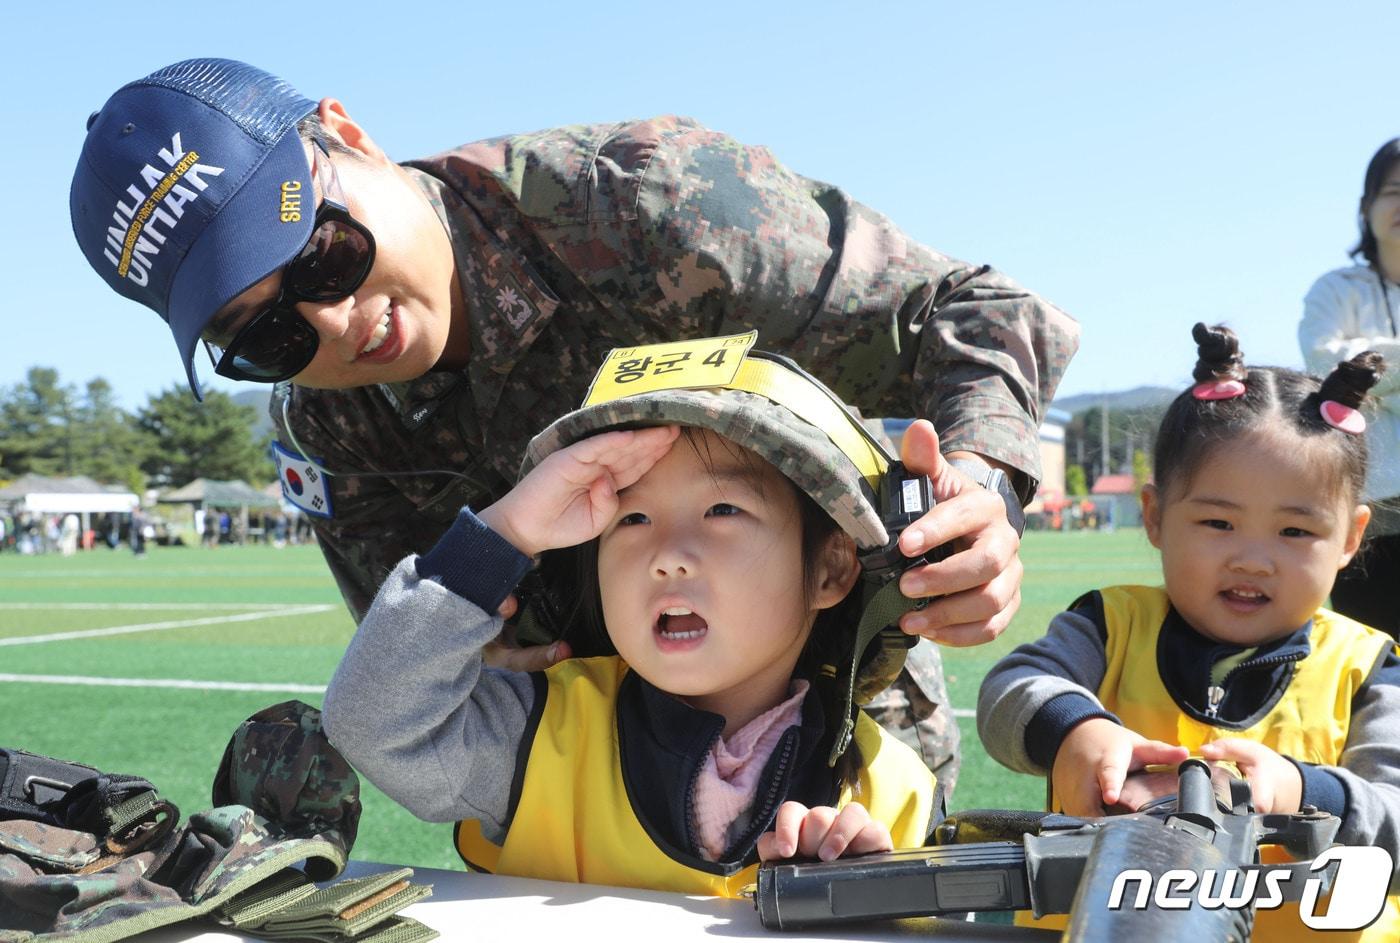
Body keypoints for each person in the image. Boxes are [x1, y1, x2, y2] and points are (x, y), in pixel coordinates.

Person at [69, 58, 1080, 789]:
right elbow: (415, 656)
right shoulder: (333, 430)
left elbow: (973, 309)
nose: (331, 323)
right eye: (267, 337)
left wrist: (980, 486)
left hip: (845, 752)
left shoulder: (641, 205)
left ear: (347, 131)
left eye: (322, 252)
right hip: (582, 787)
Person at [322, 346, 940, 895]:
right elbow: (377, 725)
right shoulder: (538, 736)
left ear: (829, 570)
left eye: (722, 508)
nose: (667, 557)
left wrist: (860, 890)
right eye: (632, 520)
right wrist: (504, 532)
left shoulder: (895, 792)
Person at [978, 324, 1400, 939]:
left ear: (1351, 539)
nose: (1253, 559)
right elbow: (1010, 690)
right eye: (1218, 522)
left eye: (1294, 532)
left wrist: (1300, 791)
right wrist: (1077, 730)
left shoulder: (1370, 667)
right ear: (1155, 517)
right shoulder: (1107, 625)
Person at [1299, 138, 1400, 639]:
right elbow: (1326, 362)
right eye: (1393, 190)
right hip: (1372, 510)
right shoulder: (1336, 289)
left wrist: (1379, 374)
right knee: (1373, 660)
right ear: (1367, 207)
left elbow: (1357, 368)